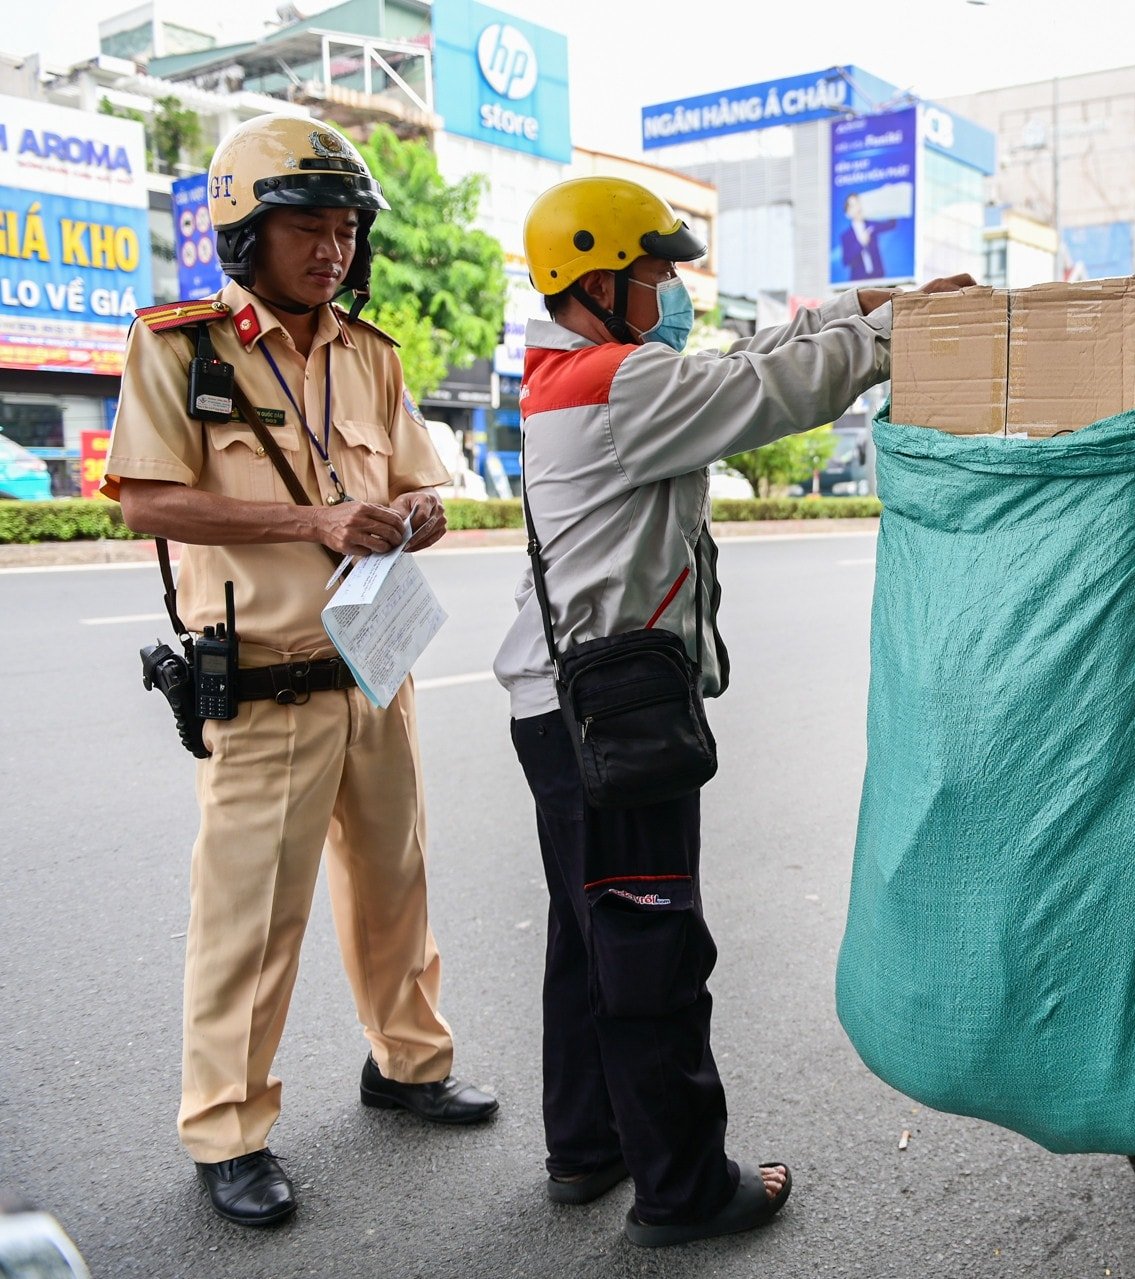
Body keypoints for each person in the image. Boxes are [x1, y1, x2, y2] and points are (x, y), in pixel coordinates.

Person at [496, 175, 973, 1249]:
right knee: (649, 942)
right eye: (656, 271)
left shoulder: (583, 375)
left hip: (560, 705)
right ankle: (684, 1189)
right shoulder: (618, 385)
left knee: (589, 935)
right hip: (609, 714)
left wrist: (869, 302)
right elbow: (772, 389)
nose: (671, 289)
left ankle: (589, 1145)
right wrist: (892, 333)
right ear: (600, 277)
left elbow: (749, 355)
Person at [103, 115, 496, 1228]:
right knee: (250, 919)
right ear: (246, 234)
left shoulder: (371, 355)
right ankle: (227, 1129)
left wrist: (413, 515)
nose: (331, 251)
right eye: (306, 231)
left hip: (376, 664)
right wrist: (311, 516)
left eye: (342, 232)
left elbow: (426, 486)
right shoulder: (182, 347)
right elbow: (145, 499)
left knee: (396, 883)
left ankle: (409, 1061)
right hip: (265, 676)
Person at [838, 192, 896, 281]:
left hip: (878, 278)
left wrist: (888, 197)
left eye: (858, 203)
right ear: (847, 213)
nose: (858, 208)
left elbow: (891, 225)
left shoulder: (871, 224)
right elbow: (846, 260)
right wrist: (861, 243)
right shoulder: (846, 236)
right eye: (853, 205)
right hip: (858, 282)